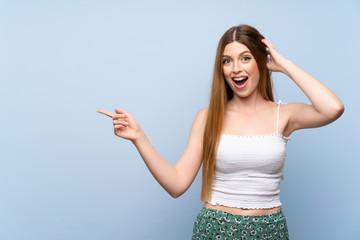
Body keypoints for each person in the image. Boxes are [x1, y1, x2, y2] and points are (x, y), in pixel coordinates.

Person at [97, 24, 344, 239]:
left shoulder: (285, 115)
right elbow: (176, 184)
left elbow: (333, 108)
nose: (236, 68)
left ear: (261, 61)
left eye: (245, 58)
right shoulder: (207, 118)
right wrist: (139, 138)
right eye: (227, 61)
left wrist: (286, 66)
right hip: (216, 229)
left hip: (270, 229)